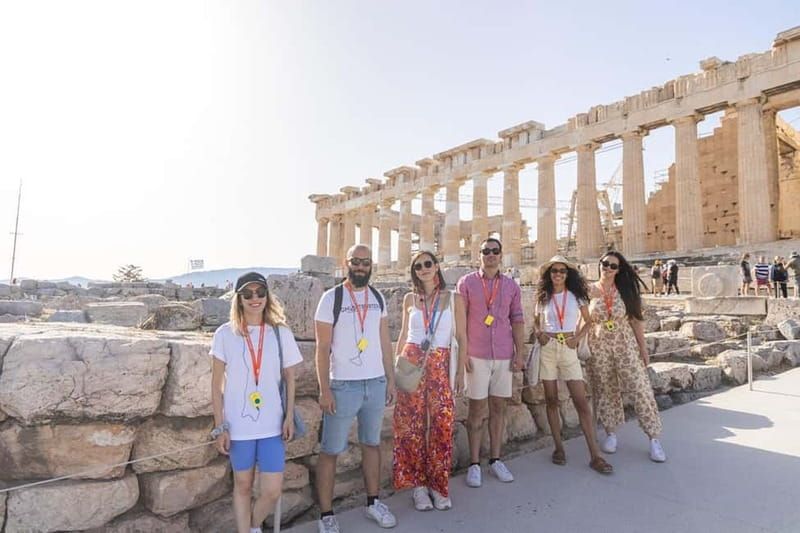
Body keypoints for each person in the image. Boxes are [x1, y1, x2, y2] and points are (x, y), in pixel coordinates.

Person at [210, 272, 303, 533]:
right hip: (238, 427)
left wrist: (288, 417)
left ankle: (253, 526)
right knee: (243, 485)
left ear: (267, 296)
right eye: (247, 294)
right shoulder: (224, 334)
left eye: (260, 292)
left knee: (272, 491)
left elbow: (290, 378)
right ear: (238, 299)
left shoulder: (280, 332)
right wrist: (220, 427)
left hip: (272, 425)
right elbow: (216, 386)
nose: (255, 298)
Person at [314, 244, 397, 532]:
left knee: (372, 444)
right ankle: (326, 515)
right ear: (346, 262)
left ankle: (373, 503)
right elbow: (322, 348)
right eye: (356, 261)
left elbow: (384, 341)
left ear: (371, 265)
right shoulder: (331, 298)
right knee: (330, 450)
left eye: (366, 262)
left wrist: (390, 379)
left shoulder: (377, 297)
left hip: (375, 382)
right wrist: (324, 390)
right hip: (343, 385)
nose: (361, 267)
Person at [392, 251, 467, 511]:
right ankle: (418, 486)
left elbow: (462, 337)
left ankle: (438, 484)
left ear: (436, 267)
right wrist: (395, 371)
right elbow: (404, 335)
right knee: (410, 425)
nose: (423, 269)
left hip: (440, 362)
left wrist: (460, 372)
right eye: (417, 266)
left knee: (442, 424)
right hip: (412, 361)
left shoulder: (453, 298)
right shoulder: (409, 298)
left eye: (427, 264)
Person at [532, 255, 613, 474]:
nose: (558, 274)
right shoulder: (543, 296)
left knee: (581, 401)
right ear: (549, 274)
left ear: (568, 274)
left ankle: (595, 455)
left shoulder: (576, 296)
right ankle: (558, 448)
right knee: (551, 400)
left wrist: (576, 339)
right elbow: (536, 321)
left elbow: (589, 322)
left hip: (568, 348)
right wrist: (539, 333)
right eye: (554, 271)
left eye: (562, 271)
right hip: (548, 348)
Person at [456, 238, 526, 488]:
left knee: (499, 408)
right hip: (476, 354)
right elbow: (460, 321)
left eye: (495, 251)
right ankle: (474, 464)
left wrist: (520, 353)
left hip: (503, 354)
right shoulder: (466, 283)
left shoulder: (510, 285)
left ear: (501, 254)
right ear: (479, 254)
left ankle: (496, 459)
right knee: (476, 410)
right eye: (486, 251)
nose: (491, 254)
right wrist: (462, 354)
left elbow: (517, 319)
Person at [586, 252, 667, 464]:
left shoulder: (626, 290)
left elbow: (636, 320)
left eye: (613, 266)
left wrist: (643, 348)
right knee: (605, 389)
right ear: (599, 264)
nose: (608, 268)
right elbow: (583, 318)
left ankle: (654, 437)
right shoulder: (589, 290)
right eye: (605, 264)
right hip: (599, 345)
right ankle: (611, 433)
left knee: (640, 388)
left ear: (619, 270)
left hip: (625, 343)